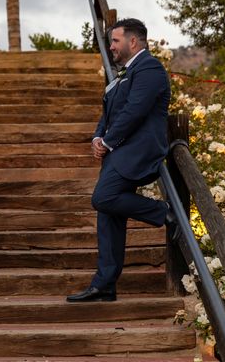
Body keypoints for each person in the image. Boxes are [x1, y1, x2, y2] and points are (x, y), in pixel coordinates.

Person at [66, 18, 177, 303]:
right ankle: (105, 284)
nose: (111, 46)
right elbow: (109, 114)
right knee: (109, 216)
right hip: (119, 152)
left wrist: (108, 141)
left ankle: (163, 212)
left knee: (102, 198)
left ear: (133, 42)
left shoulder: (150, 68)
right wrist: (97, 137)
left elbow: (135, 111)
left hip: (138, 151)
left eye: (115, 41)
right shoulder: (122, 74)